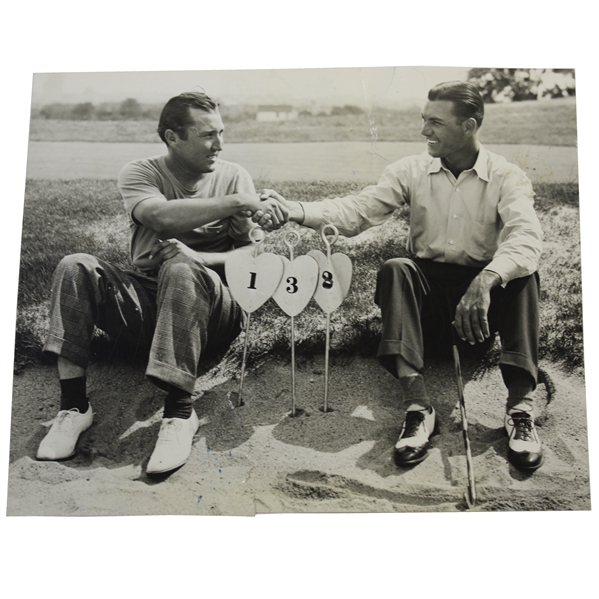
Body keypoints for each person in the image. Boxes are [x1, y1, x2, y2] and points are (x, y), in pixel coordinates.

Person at [263, 81, 544, 472]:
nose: (424, 131)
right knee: (397, 268)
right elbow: (357, 212)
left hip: (479, 315)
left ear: (469, 126)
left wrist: (485, 281)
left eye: (435, 122)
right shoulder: (410, 170)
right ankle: (418, 408)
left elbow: (527, 237)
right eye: (424, 120)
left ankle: (520, 411)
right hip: (425, 312)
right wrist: (293, 209)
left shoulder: (507, 176)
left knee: (523, 276)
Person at [36, 91, 286, 474]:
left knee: (182, 268)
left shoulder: (234, 175)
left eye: (221, 132)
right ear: (172, 137)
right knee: (75, 265)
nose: (220, 144)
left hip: (212, 312)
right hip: (146, 306)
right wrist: (240, 202)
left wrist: (201, 257)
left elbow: (254, 258)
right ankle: (73, 408)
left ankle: (179, 414)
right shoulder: (141, 172)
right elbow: (161, 217)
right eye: (207, 135)